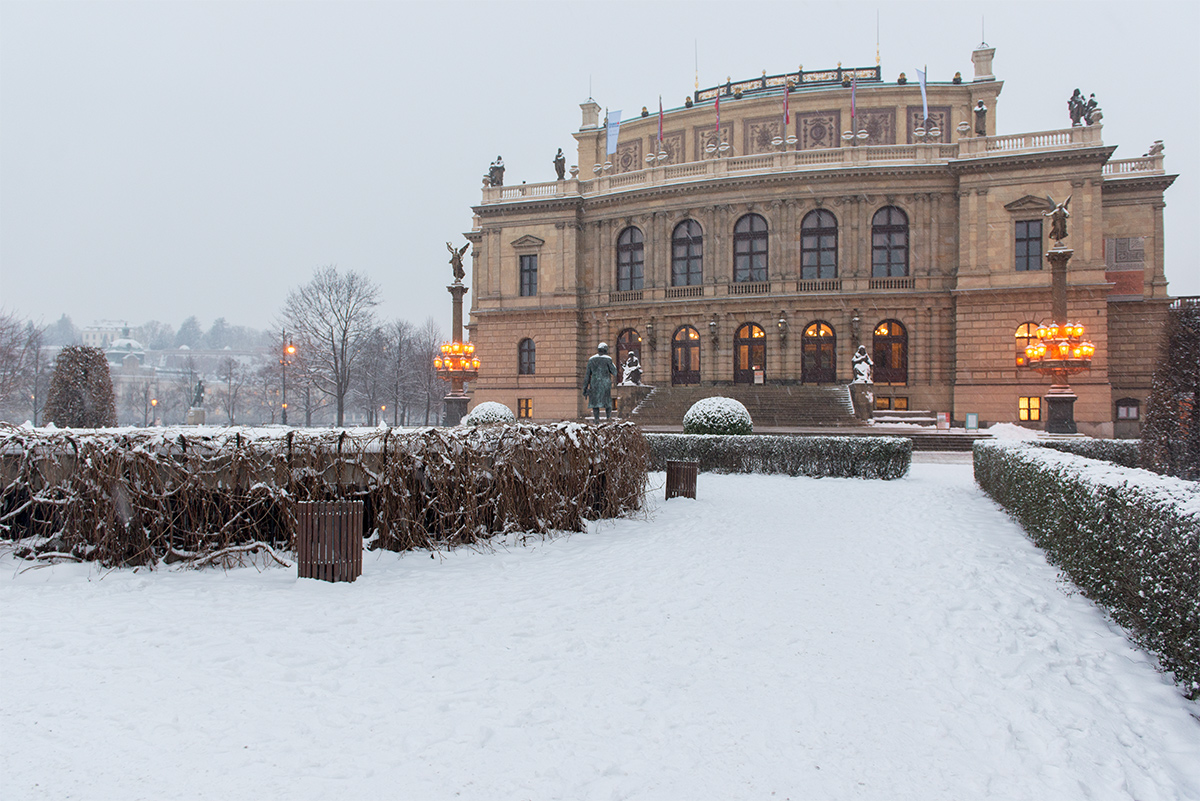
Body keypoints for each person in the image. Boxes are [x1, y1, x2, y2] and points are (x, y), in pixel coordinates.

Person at [583, 342, 618, 422]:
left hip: (594, 383)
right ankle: (608, 419)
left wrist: (585, 388)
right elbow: (615, 372)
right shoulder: (608, 359)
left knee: (595, 403)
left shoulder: (591, 360)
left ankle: (596, 420)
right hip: (605, 384)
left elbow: (587, 375)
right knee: (607, 402)